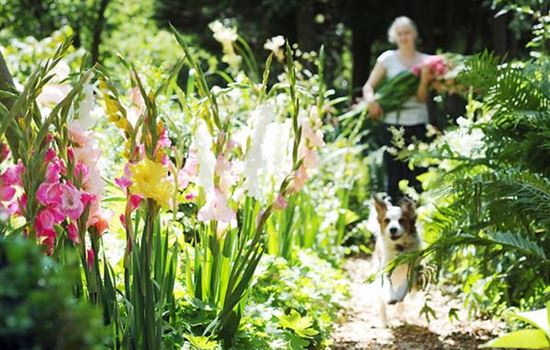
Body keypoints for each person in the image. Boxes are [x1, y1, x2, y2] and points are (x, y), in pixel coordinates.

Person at [362, 16, 432, 201]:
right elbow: (368, 87)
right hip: (391, 124)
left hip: (417, 122)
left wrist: (424, 81)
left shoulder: (426, 62)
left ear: (414, 34)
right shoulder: (387, 59)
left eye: (407, 33)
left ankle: (415, 220)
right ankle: (391, 220)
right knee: (393, 177)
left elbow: (421, 98)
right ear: (394, 36)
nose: (404, 37)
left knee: (417, 174)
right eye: (400, 34)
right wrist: (371, 102)